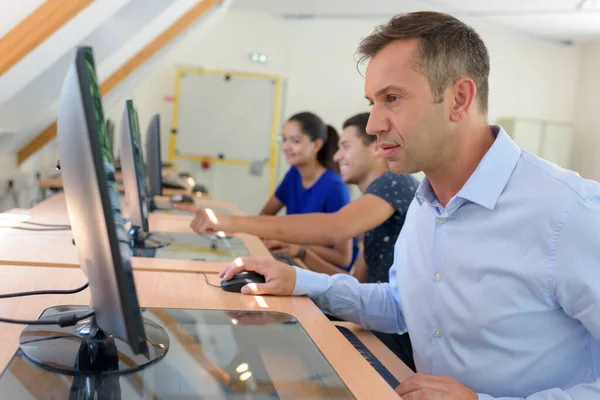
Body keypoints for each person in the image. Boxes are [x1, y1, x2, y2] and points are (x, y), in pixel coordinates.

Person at [217, 11, 600, 400]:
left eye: (392, 99)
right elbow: (403, 305)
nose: (372, 125)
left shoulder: (570, 213)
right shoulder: (426, 203)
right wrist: (300, 281)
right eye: (372, 102)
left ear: (459, 99)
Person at [181, 112, 419, 369]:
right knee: (262, 325)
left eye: (345, 147)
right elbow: (357, 284)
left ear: (375, 148)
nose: (337, 157)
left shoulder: (395, 182)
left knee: (267, 344)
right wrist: (298, 265)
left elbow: (334, 228)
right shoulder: (374, 204)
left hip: (395, 341)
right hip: (375, 324)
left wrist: (229, 222)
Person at [260, 111, 358, 271]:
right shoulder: (293, 175)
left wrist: (295, 245)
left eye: (295, 141)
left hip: (323, 278)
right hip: (295, 265)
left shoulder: (335, 187)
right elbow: (264, 216)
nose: (285, 147)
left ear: (317, 145)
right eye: (283, 139)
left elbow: (343, 258)